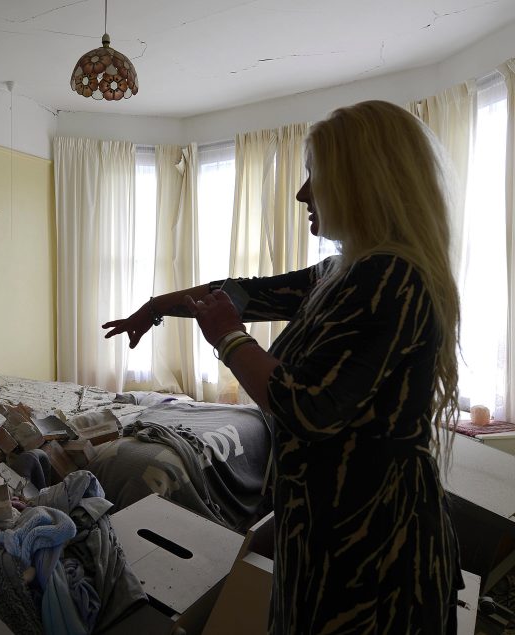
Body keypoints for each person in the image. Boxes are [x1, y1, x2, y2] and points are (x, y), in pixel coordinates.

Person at [102, 100, 463, 634]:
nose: (302, 193)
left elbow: (308, 407)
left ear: (364, 181)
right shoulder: (346, 271)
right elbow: (245, 293)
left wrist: (227, 338)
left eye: (316, 176)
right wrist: (159, 305)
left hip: (370, 542)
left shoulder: (391, 278)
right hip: (329, 530)